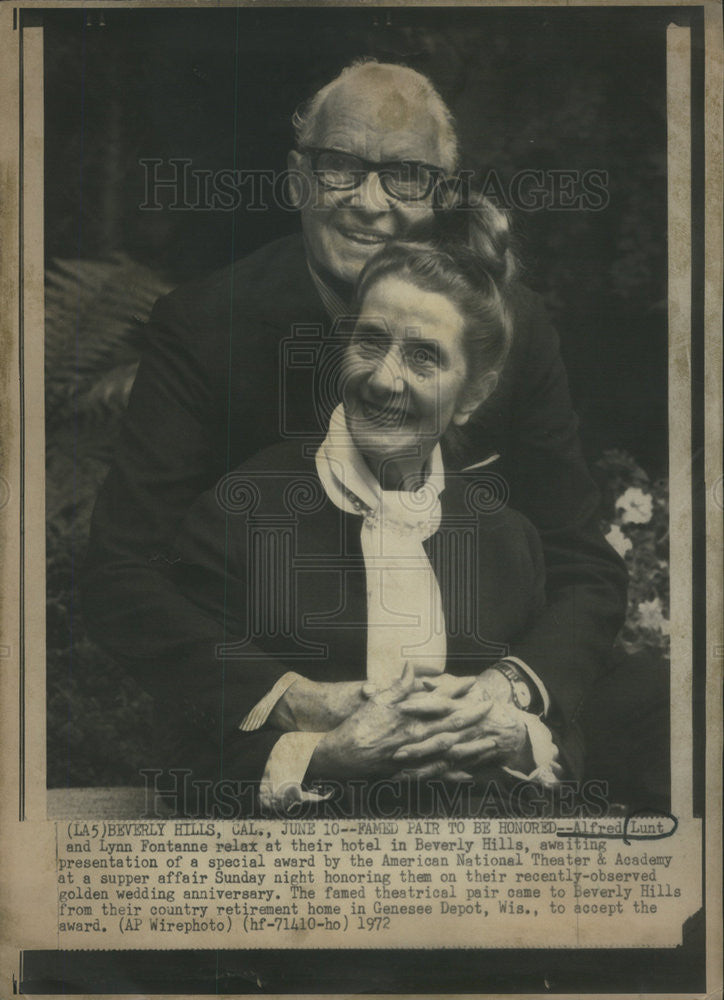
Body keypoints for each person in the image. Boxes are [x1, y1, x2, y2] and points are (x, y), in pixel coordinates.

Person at [82, 59, 627, 811]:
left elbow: (580, 562)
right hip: (279, 735)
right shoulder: (208, 327)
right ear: (297, 178)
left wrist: (507, 693)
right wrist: (295, 700)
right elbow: (123, 573)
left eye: (404, 175)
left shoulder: (509, 326)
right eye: (339, 167)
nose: (368, 203)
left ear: (442, 193)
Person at [170, 237, 571, 814]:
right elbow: (182, 753)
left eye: (423, 356)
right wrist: (325, 756)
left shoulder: (508, 539)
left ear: (473, 393)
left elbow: (568, 735)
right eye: (371, 342)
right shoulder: (241, 512)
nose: (384, 380)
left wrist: (519, 740)